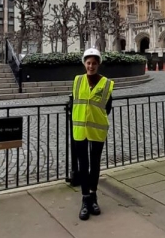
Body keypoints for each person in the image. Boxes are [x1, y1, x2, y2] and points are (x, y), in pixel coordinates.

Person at [72, 47, 114, 221]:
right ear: (84, 64)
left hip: (97, 128)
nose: (91, 66)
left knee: (95, 163)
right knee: (83, 164)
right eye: (88, 63)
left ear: (98, 65)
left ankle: (93, 195)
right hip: (80, 129)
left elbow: (108, 107)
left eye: (94, 63)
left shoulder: (106, 83)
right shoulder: (77, 80)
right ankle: (85, 199)